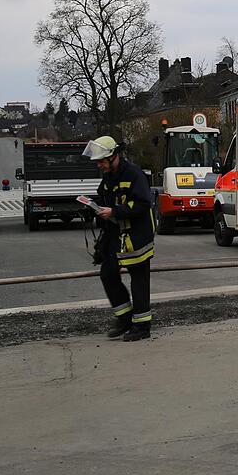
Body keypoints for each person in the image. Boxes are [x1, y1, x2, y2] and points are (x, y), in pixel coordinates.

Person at [83, 136, 155, 342]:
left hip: (137, 235)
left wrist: (114, 211)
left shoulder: (134, 174)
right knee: (107, 273)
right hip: (117, 235)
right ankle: (124, 318)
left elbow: (142, 204)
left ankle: (142, 326)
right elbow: (103, 198)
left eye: (101, 161)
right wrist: (93, 209)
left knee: (139, 279)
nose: (99, 165)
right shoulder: (108, 178)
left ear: (114, 156)